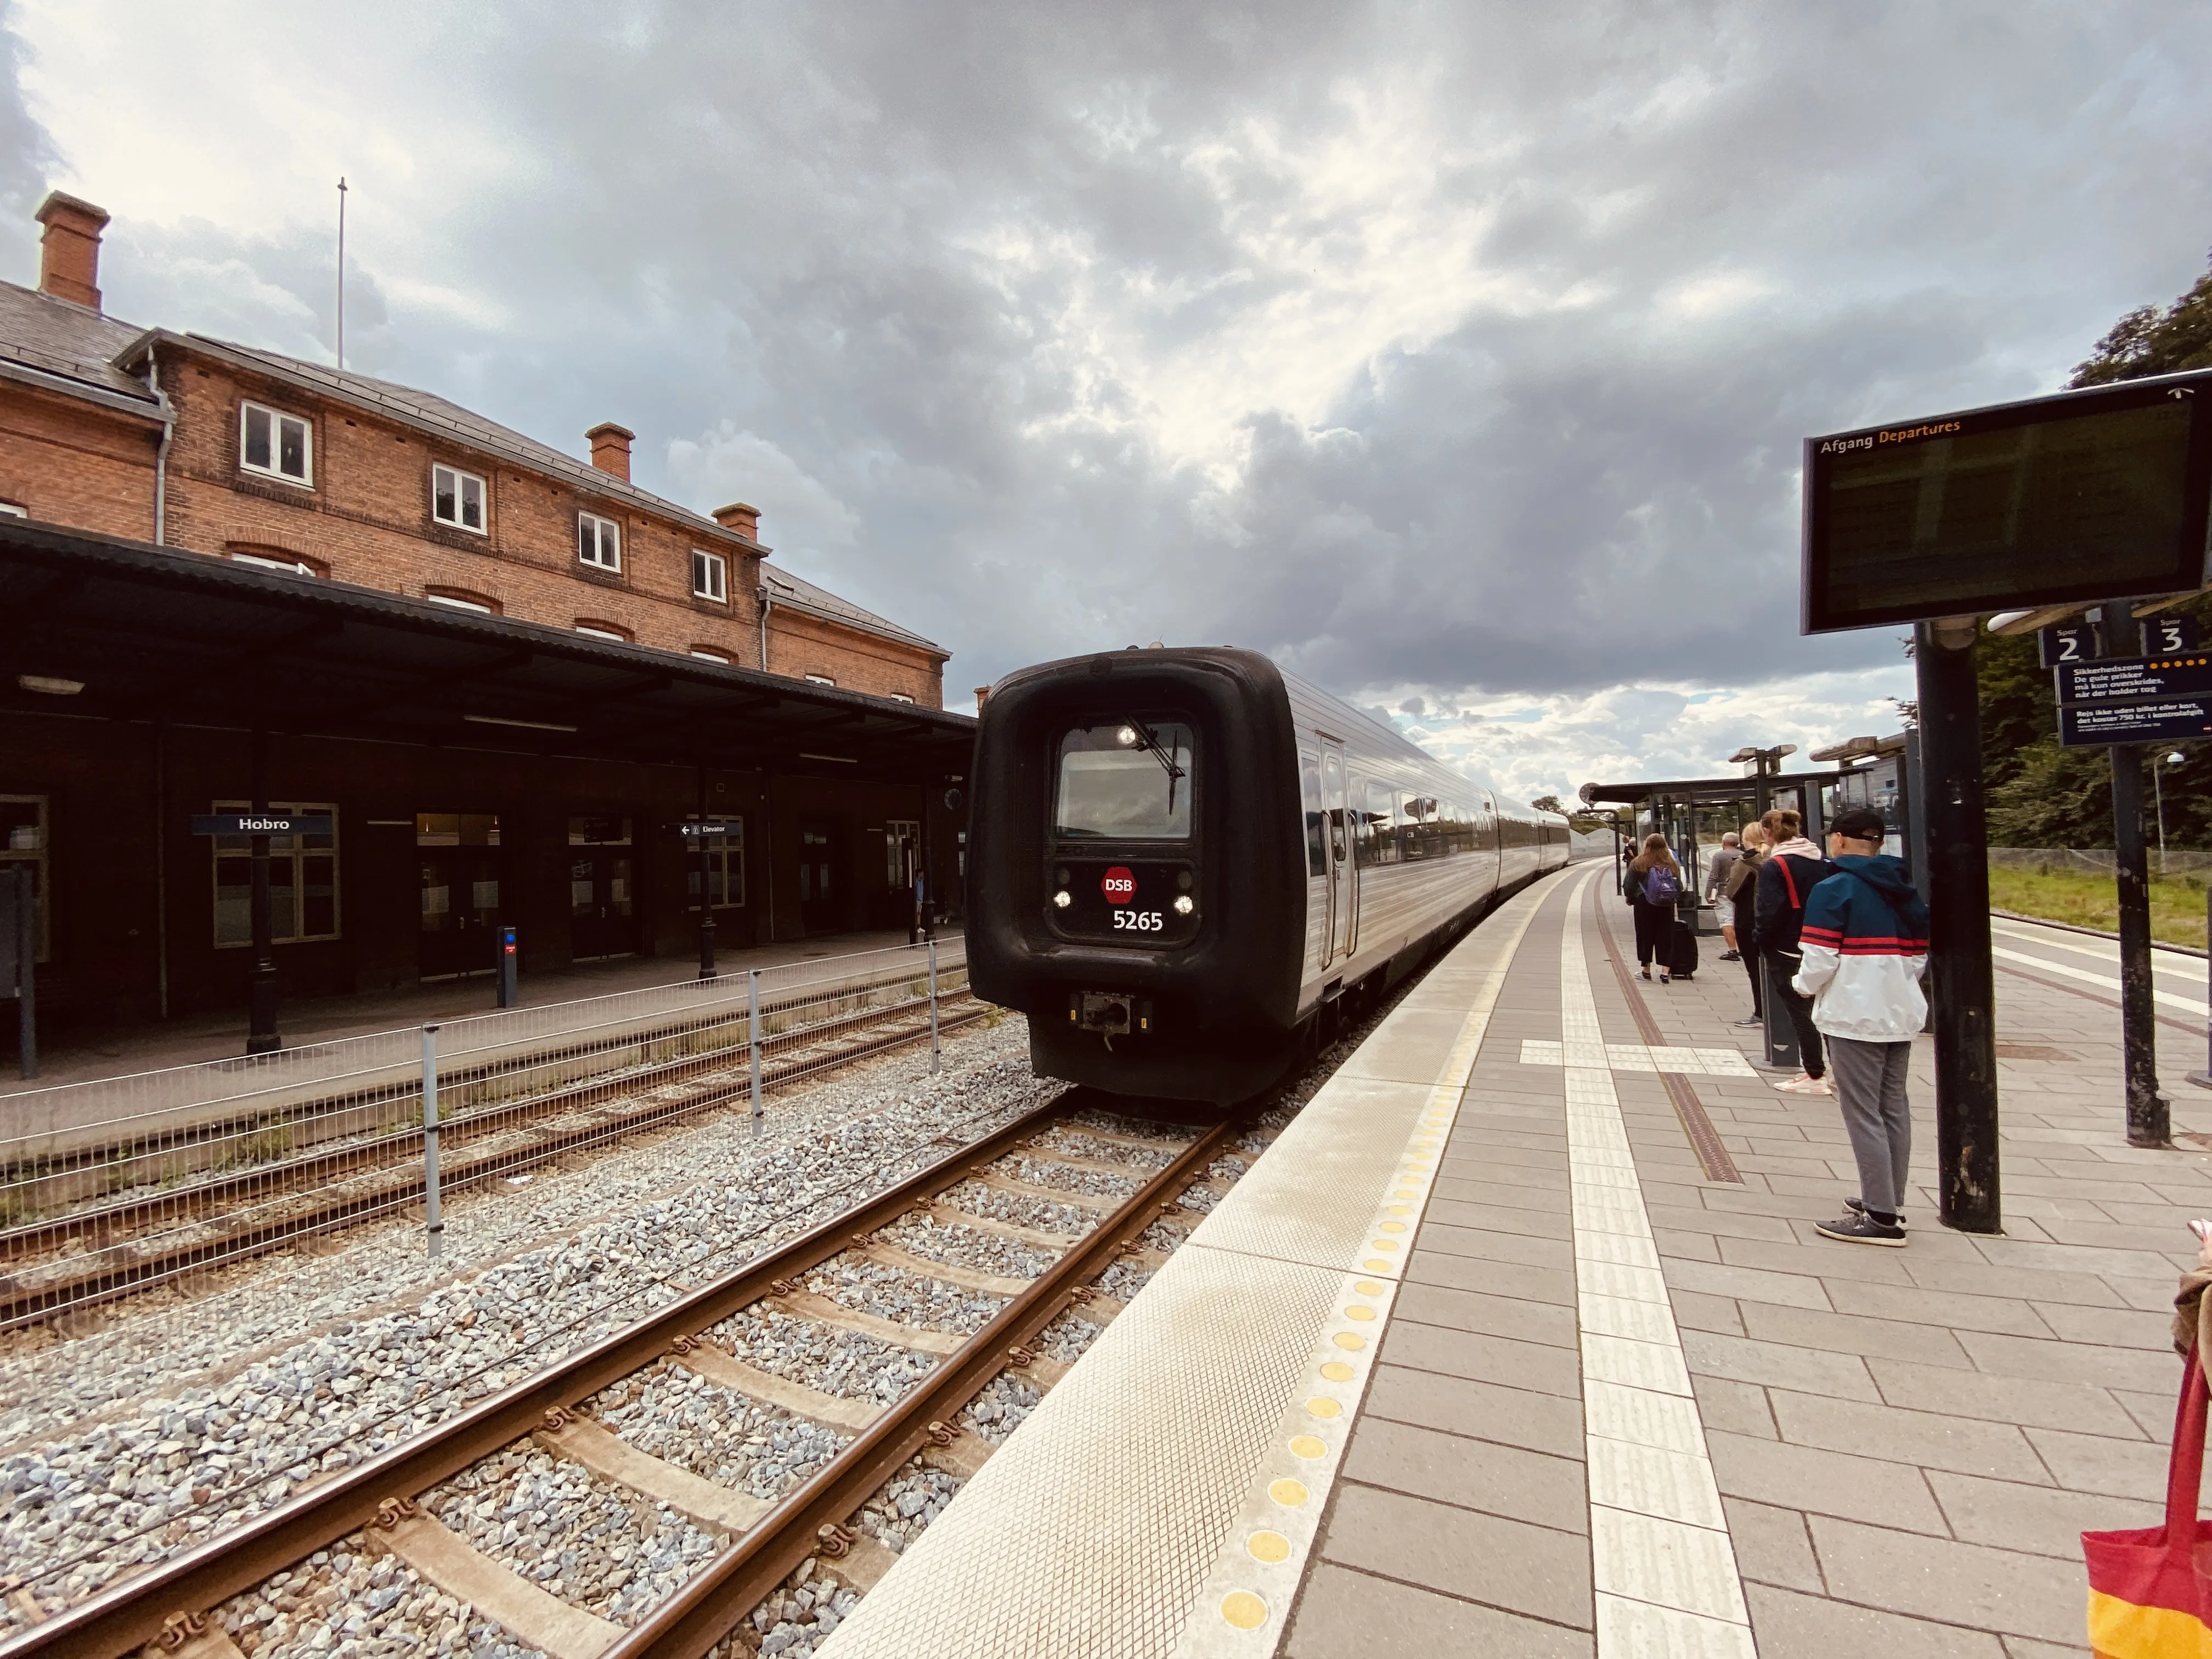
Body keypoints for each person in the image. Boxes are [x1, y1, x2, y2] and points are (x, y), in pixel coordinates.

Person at [1795, 807, 1928, 1246]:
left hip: (1853, 1017)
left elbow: (1818, 961)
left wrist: (1801, 986)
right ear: (1878, 843)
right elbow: (1918, 958)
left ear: (1838, 840)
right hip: (1900, 1013)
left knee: (1862, 1113)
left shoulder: (1833, 889)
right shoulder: (1904, 890)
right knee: (1893, 1110)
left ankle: (1880, 1218)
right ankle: (1889, 1198)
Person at [1754, 807, 1837, 1094]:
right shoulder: (1822, 860)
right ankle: (1839, 1071)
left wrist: (1761, 941)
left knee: (1801, 1012)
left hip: (1788, 946)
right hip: (1824, 942)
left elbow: (1770, 912)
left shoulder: (1775, 866)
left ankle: (1814, 1075)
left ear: (1767, 831)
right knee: (1826, 1008)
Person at [1723, 822, 1769, 1028]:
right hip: (1771, 920)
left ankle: (1761, 1012)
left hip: (1747, 920)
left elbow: (1731, 891)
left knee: (1754, 969)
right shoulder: (1774, 857)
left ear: (1746, 838)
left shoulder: (1746, 861)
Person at [1624, 833, 1685, 984]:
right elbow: (1680, 886)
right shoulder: (1672, 863)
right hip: (1666, 905)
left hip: (1644, 904)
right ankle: (1665, 973)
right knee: (1666, 937)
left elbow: (1629, 886)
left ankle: (1646, 971)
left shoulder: (1639, 862)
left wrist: (1630, 899)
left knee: (1645, 936)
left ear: (1648, 845)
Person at [1703, 833, 1742, 959]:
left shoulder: (1719, 856)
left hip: (1724, 892)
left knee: (1727, 921)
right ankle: (1744, 947)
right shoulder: (1743, 855)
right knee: (1740, 920)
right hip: (1741, 892)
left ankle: (1732, 951)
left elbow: (1713, 876)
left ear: (1724, 843)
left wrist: (1708, 893)